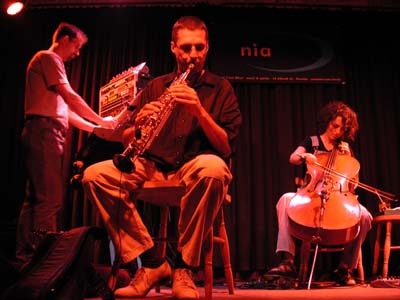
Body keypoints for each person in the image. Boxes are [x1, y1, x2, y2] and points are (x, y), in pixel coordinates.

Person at [82, 16, 242, 299]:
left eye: (199, 48)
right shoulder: (155, 86)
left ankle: (183, 268)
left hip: (196, 165)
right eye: (186, 48)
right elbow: (131, 140)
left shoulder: (222, 88)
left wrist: (200, 112)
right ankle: (153, 263)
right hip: (152, 165)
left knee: (214, 169)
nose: (193, 55)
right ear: (173, 48)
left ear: (207, 48)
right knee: (95, 175)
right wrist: (138, 127)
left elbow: (226, 147)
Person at [16, 22, 116, 269]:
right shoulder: (49, 58)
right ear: (65, 39)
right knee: (49, 199)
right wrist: (102, 120)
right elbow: (71, 97)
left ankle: (25, 260)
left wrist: (97, 128)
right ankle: (42, 263)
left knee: (36, 199)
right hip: (44, 132)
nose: (78, 53)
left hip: (46, 132)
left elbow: (67, 111)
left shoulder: (48, 65)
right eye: (77, 46)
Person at [266, 101, 372, 286]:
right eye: (335, 126)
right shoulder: (312, 142)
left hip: (337, 198)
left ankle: (345, 268)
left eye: (342, 129)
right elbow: (293, 158)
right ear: (328, 121)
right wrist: (306, 156)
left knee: (364, 216)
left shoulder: (345, 149)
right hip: (311, 196)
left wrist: (349, 158)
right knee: (285, 200)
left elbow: (352, 182)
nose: (337, 132)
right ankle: (287, 261)